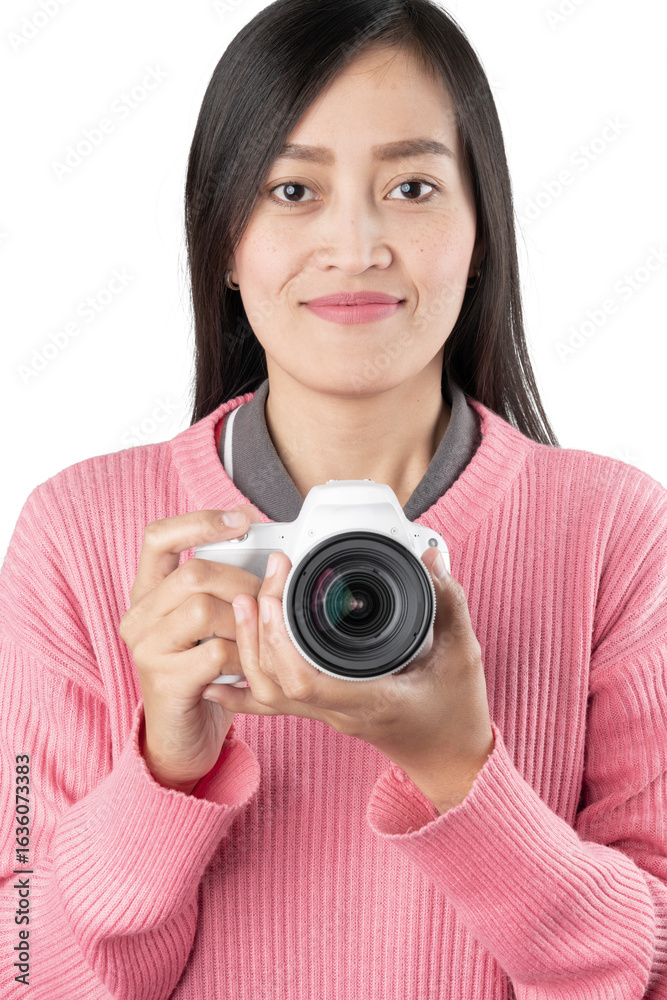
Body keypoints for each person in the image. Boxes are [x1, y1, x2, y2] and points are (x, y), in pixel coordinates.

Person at [1, 0, 666, 996]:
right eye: (292, 189)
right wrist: (163, 772)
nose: (354, 244)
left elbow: (645, 968)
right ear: (222, 239)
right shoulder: (80, 533)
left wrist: (457, 765)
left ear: (483, 231)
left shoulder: (612, 531)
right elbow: (20, 960)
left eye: (409, 186)